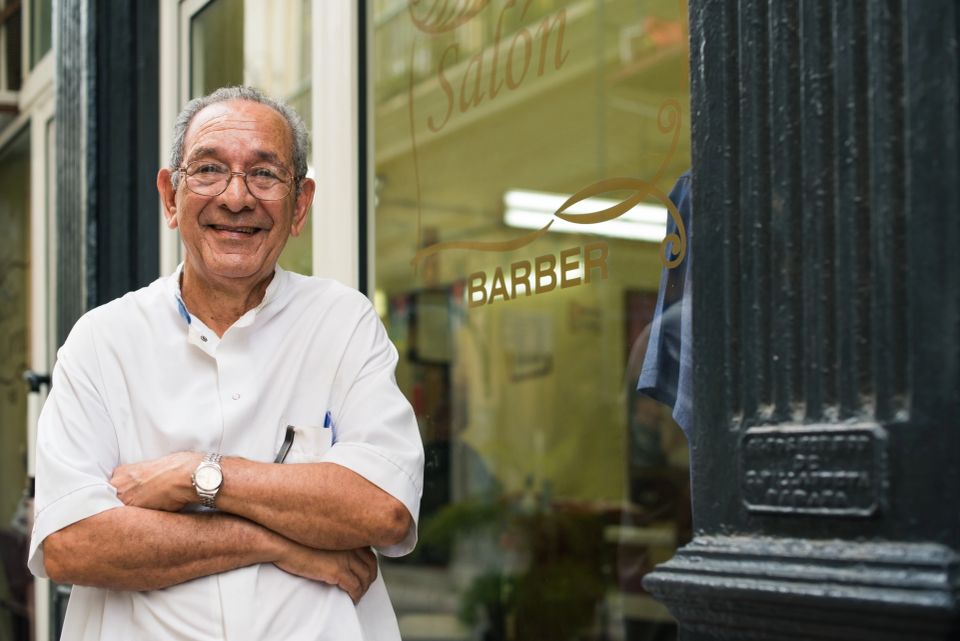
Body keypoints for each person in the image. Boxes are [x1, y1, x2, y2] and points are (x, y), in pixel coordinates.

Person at [27, 86, 425, 641]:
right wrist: (280, 540)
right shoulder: (102, 341)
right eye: (210, 169)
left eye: (265, 174)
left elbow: (382, 508)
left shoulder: (343, 322)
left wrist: (196, 475)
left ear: (300, 204)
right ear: (171, 196)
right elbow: (72, 543)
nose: (237, 198)